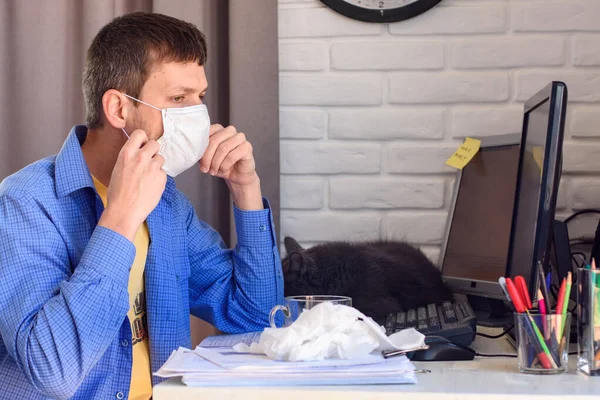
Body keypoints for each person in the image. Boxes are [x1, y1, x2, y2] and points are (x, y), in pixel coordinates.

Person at [0, 12, 282, 400]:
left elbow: (257, 317)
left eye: (199, 98)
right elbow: (53, 369)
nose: (197, 116)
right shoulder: (25, 203)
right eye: (178, 99)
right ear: (118, 110)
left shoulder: (167, 204)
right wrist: (120, 217)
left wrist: (246, 189)